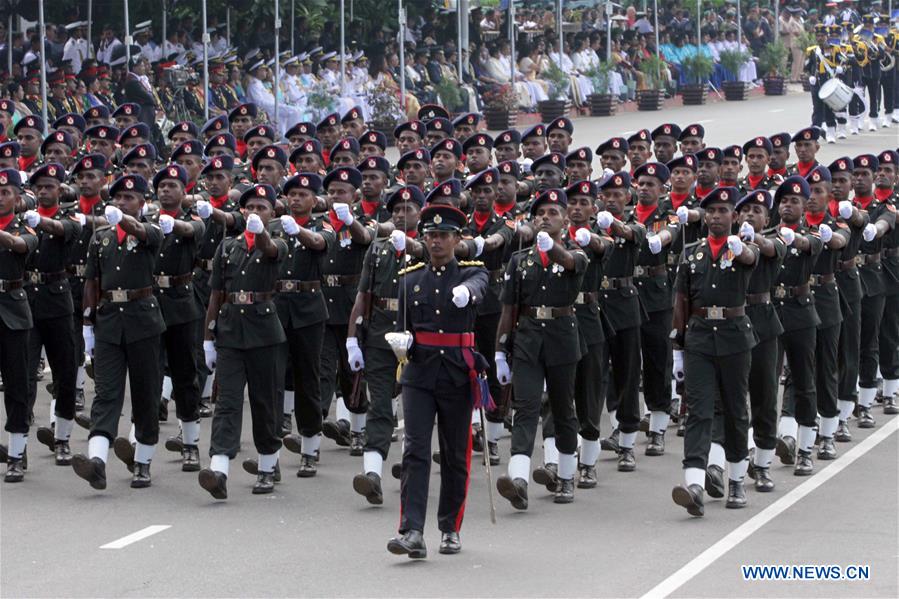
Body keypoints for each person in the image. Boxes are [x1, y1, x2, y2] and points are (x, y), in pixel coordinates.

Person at [387, 204, 488, 559]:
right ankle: (412, 530)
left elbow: (480, 286)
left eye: (444, 235)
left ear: (457, 239)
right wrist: (401, 344)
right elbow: (404, 328)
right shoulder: (409, 279)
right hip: (418, 373)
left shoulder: (472, 275)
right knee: (414, 451)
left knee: (455, 454)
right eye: (431, 235)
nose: (437, 242)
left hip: (457, 374)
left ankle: (450, 527)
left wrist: (467, 294)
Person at [71, 174, 166, 490]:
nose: (122, 203)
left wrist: (124, 220)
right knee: (107, 393)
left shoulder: (151, 231)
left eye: (129, 198)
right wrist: (88, 323)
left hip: (143, 322)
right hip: (109, 321)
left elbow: (142, 230)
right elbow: (91, 282)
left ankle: (142, 460)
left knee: (145, 393)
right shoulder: (101, 237)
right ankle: (97, 461)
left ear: (142, 203)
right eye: (118, 199)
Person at [671, 186, 758, 517]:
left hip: (735, 337)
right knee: (699, 410)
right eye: (711, 212)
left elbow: (751, 258)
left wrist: (743, 246)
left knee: (736, 409)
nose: (717, 216)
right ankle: (694, 482)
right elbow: (681, 301)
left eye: (723, 211)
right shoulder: (691, 253)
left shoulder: (741, 249)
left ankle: (736, 479)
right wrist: (678, 347)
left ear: (734, 217)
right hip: (700, 338)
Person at [197, 183, 288, 499]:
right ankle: (219, 468)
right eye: (250, 207)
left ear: (273, 213)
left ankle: (266, 466)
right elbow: (216, 294)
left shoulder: (278, 242)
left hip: (264, 332)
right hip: (231, 330)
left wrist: (260, 232)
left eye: (262, 208)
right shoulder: (228, 246)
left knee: (265, 402)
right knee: (227, 401)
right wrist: (209, 337)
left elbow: (271, 250)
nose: (255, 212)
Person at [348, 185, 423, 504]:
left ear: (420, 213)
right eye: (395, 211)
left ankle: (413, 466)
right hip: (380, 333)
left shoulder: (431, 246)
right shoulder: (378, 249)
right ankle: (373, 473)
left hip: (419, 336)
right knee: (379, 405)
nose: (401, 215)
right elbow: (364, 295)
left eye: (407, 210)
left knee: (417, 409)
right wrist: (353, 337)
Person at [271, 173, 333, 478]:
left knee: (308, 378)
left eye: (302, 195)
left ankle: (310, 446)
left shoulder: (322, 225)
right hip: (276, 306)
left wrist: (297, 231)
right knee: (271, 377)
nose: (295, 199)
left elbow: (320, 243)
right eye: (291, 195)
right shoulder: (273, 226)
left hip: (308, 308)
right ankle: (269, 451)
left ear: (314, 199)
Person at [24, 163, 81, 467]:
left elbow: (63, 231)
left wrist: (41, 222)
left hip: (58, 301)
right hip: (27, 302)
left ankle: (63, 437)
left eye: (49, 186)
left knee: (65, 372)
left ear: (60, 190)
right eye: (39, 187)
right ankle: (20, 437)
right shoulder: (23, 220)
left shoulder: (67, 218)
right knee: (24, 370)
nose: (44, 191)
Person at [151, 164, 205, 472]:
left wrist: (170, 223)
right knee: (148, 375)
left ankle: (191, 443)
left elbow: (190, 231)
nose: (166, 190)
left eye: (172, 185)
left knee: (185, 376)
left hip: (181, 305)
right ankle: (139, 440)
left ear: (184, 191)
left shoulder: (192, 221)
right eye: (162, 186)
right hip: (150, 304)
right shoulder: (145, 221)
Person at [0, 168, 39, 482]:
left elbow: (22, 245)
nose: (0, 199)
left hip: (13, 311)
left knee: (16, 386)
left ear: (17, 198)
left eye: (5, 193)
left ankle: (16, 451)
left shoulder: (24, 226)